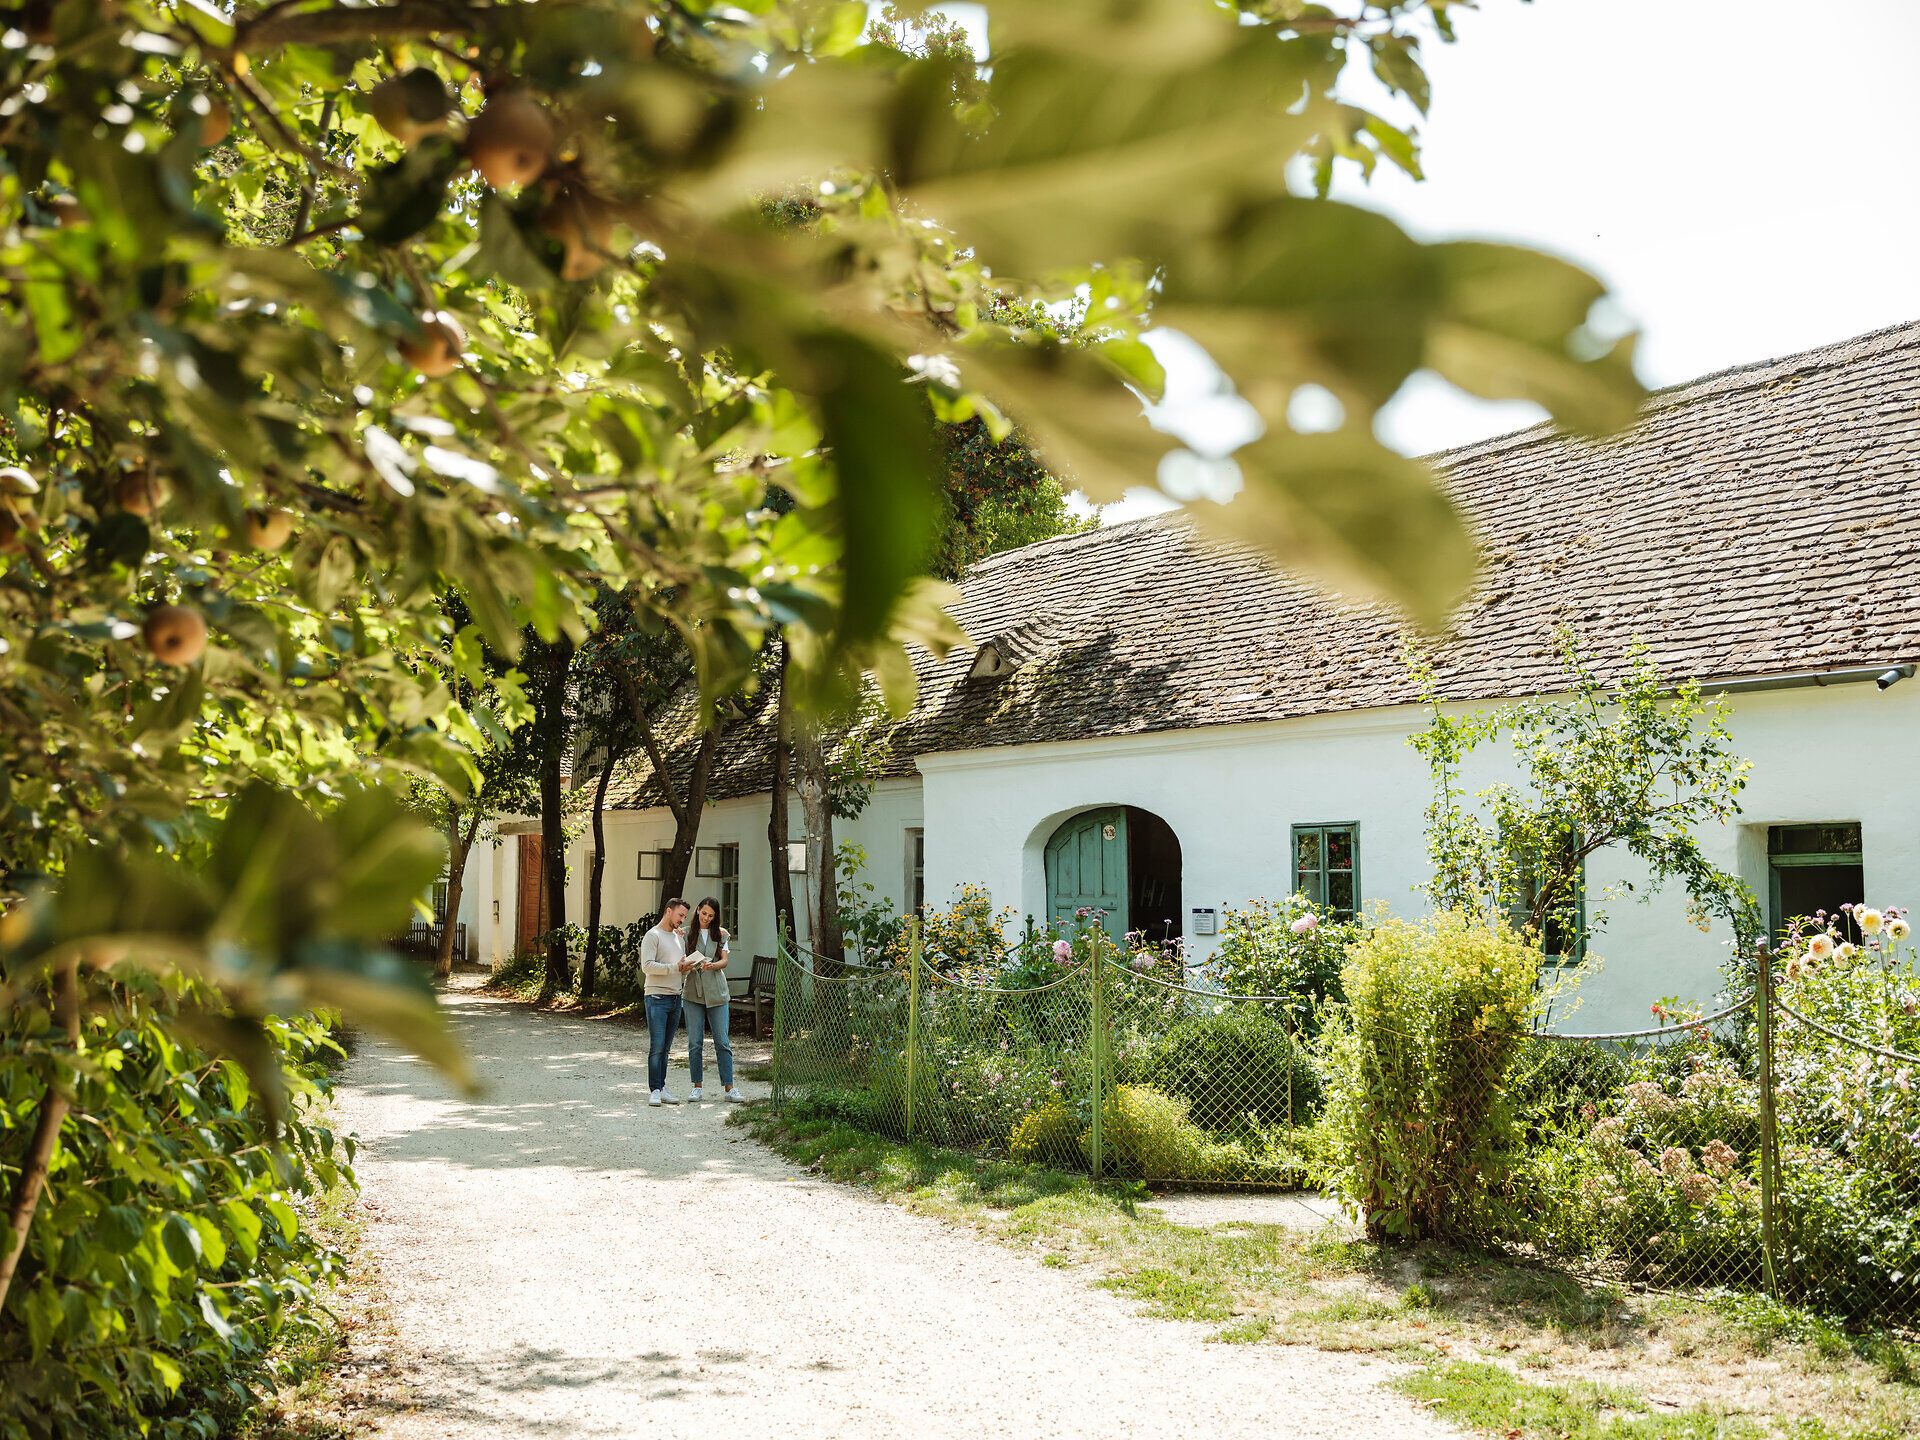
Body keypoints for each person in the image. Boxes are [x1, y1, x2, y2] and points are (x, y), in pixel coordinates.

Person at [682, 897, 746, 1103]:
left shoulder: (721, 934)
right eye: (704, 914)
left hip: (717, 992)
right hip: (693, 992)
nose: (706, 918)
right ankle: (697, 1087)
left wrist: (713, 965)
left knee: (722, 1041)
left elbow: (725, 961)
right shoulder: (684, 934)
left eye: (711, 916)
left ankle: (729, 1088)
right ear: (698, 910)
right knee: (695, 1042)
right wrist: (689, 965)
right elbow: (680, 961)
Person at [641, 897, 697, 1106]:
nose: (682, 919)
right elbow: (647, 966)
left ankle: (662, 1087)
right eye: (680, 915)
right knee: (656, 1046)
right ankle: (654, 1090)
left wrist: (686, 967)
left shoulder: (678, 937)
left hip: (675, 997)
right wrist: (675, 967)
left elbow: (677, 965)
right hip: (656, 997)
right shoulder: (652, 935)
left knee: (666, 1047)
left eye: (684, 916)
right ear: (668, 911)